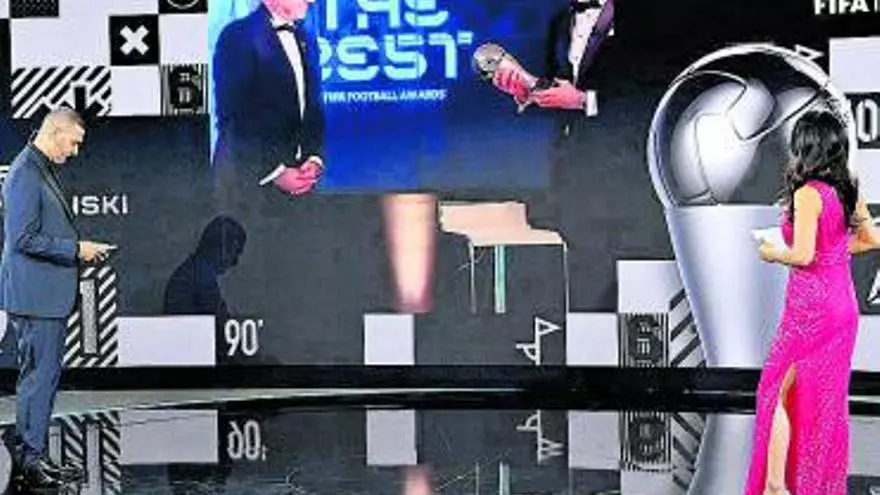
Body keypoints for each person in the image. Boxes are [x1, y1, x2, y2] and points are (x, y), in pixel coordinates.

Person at [491, 0, 672, 311]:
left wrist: (585, 101)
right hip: (577, 179)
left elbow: (656, 94)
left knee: (640, 299)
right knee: (586, 287)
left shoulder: (649, 18)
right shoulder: (561, 23)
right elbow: (561, 94)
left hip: (631, 177)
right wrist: (529, 92)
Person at [744, 110, 880, 495]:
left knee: (774, 389)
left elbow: (802, 255)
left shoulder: (807, 194)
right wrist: (834, 252)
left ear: (805, 147)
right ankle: (808, 485)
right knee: (820, 400)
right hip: (842, 307)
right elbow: (872, 240)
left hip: (811, 311)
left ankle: (776, 486)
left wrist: (772, 253)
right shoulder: (848, 190)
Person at [0, 108, 115, 489]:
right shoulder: (25, 173)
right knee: (39, 378)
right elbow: (22, 238)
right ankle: (30, 461)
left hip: (41, 295)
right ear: (55, 131)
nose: (75, 151)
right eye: (74, 142)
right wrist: (76, 249)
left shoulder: (39, 168)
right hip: (35, 296)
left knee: (41, 378)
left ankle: (32, 456)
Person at [212, 0, 325, 209]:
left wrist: (313, 157)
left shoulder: (305, 37)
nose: (311, 1)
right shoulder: (238, 36)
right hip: (248, 186)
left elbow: (313, 106)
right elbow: (234, 116)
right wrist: (276, 172)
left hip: (301, 186)